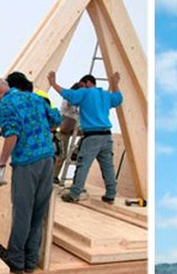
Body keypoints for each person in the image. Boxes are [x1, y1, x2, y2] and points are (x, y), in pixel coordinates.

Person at [0, 77, 61, 274]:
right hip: (47, 160)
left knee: (22, 214)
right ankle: (30, 263)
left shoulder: (7, 103)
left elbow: (13, 134)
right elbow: (55, 119)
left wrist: (1, 163)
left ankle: (16, 264)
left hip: (27, 163)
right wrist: (37, 131)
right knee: (37, 215)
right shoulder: (35, 98)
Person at [47, 71, 122, 203]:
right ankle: (111, 194)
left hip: (92, 136)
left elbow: (68, 94)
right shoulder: (105, 95)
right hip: (106, 136)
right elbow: (118, 98)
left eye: (82, 85)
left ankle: (75, 193)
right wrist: (115, 83)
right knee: (108, 167)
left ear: (88, 83)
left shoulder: (84, 92)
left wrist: (53, 83)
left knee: (83, 165)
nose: (80, 87)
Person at [53, 82, 82, 184]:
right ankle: (53, 176)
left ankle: (76, 151)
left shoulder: (77, 105)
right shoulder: (69, 99)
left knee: (91, 131)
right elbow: (70, 101)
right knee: (61, 156)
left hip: (73, 130)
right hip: (63, 132)